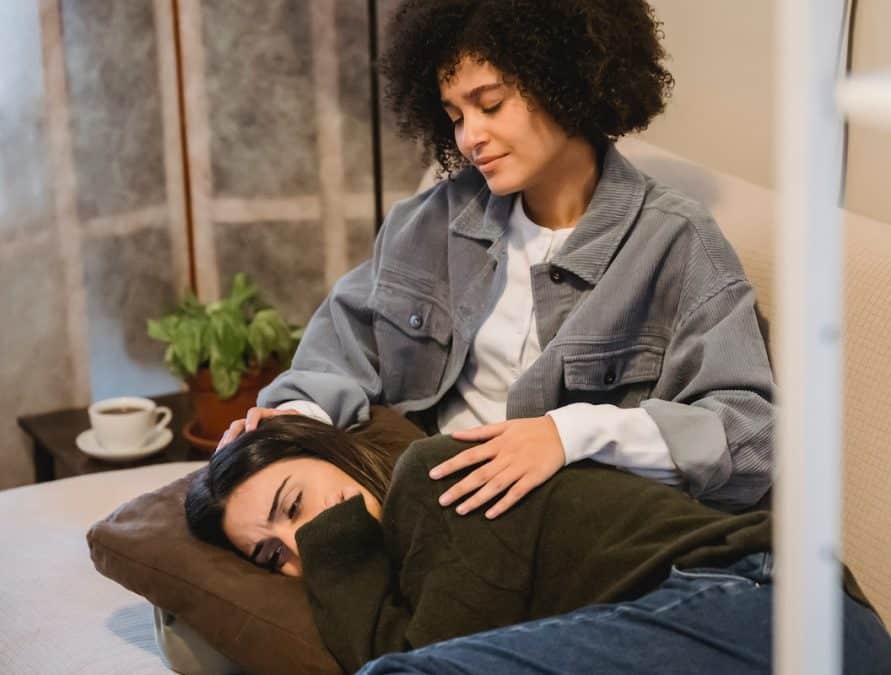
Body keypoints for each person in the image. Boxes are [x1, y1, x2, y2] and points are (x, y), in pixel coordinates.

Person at [216, 0, 776, 519]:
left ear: (567, 82)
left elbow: (749, 436)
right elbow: (345, 342)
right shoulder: (431, 221)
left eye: (490, 104)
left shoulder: (675, 243)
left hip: (568, 534)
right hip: (428, 508)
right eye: (455, 115)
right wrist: (298, 419)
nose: (469, 138)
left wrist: (571, 433)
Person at [187, 415, 891, 674]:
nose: (300, 547)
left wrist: (335, 549)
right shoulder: (405, 573)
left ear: (333, 451)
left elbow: (422, 660)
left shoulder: (434, 474)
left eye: (294, 506)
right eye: (272, 553)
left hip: (777, 611)